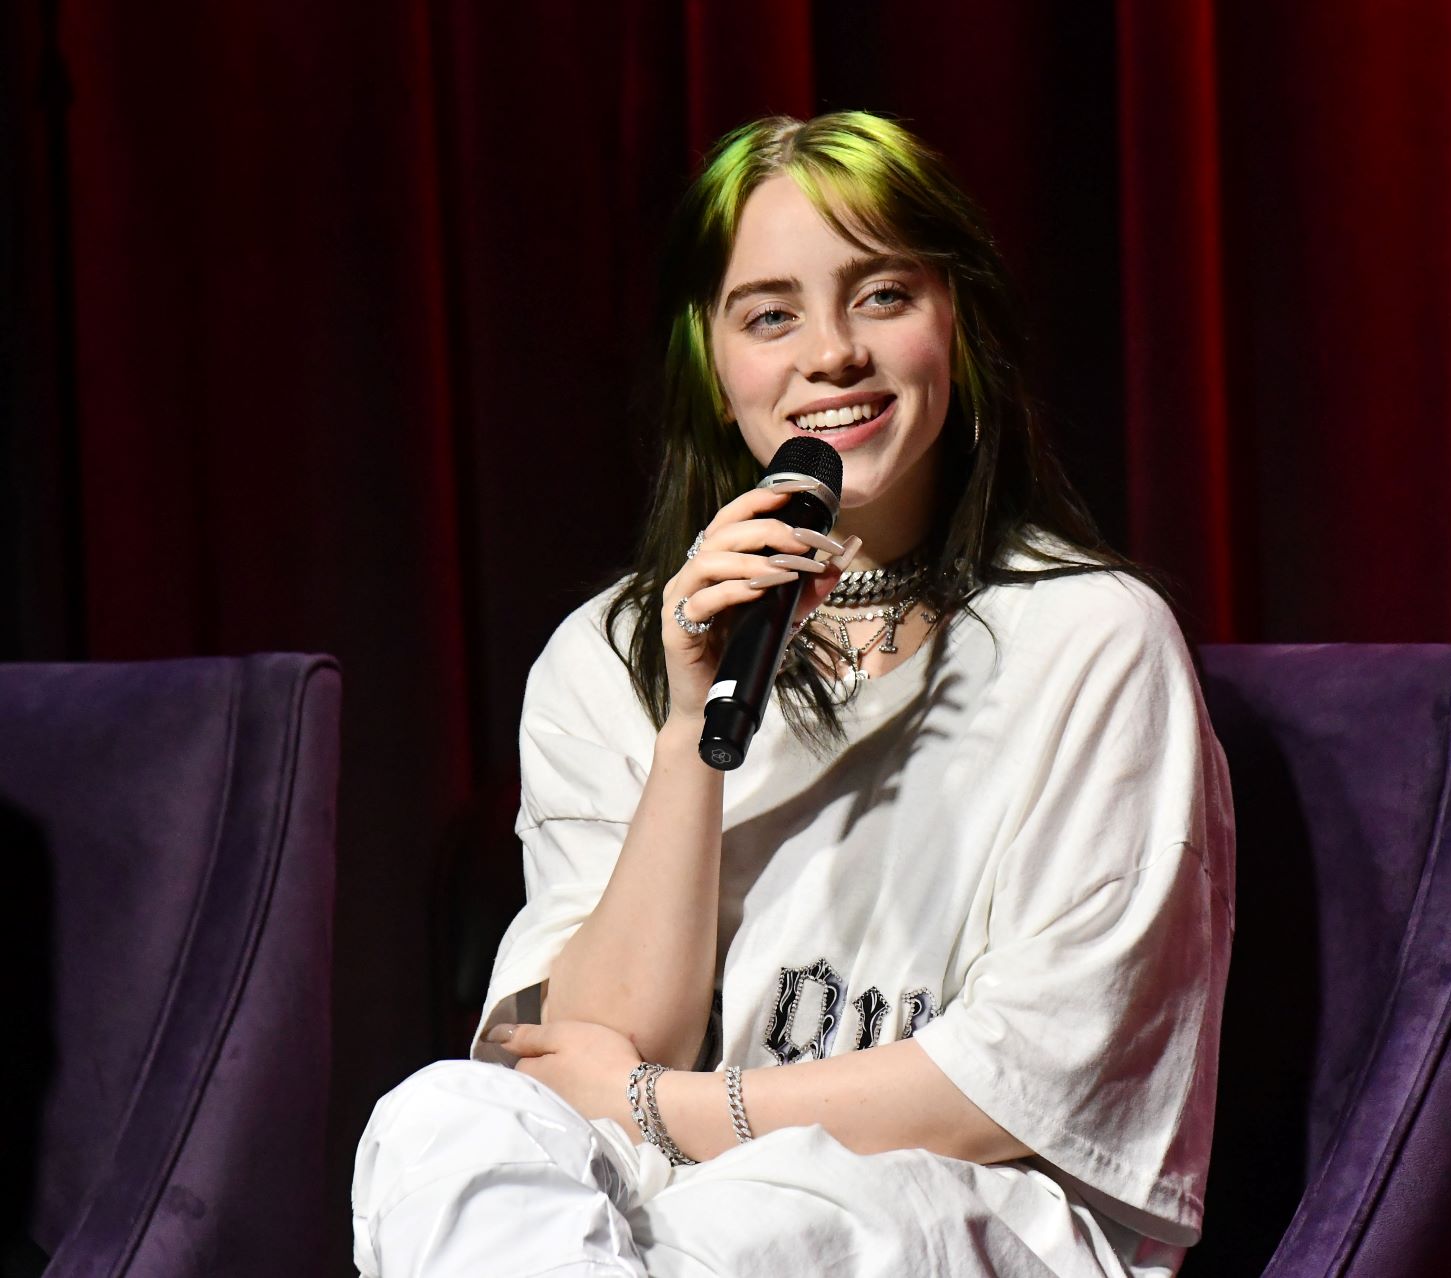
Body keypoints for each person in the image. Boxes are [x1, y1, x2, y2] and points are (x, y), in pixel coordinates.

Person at [351, 110, 1235, 1278]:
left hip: (961, 1208)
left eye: (881, 295)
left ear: (956, 329)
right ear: (713, 371)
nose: (831, 353)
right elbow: (583, 1049)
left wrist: (660, 1109)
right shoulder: (609, 652)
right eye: (771, 315)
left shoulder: (1090, 637)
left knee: (759, 1219)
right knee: (435, 1120)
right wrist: (686, 734)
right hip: (655, 1208)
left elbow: (1018, 1082)